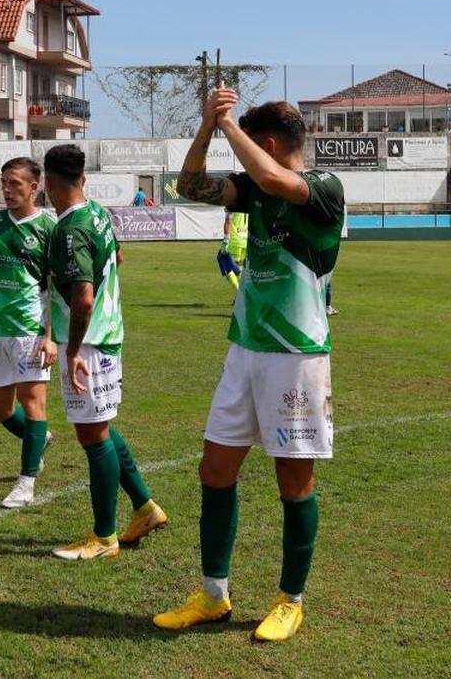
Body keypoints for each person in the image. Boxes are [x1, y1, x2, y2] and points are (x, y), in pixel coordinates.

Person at [154, 90, 344, 641]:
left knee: (294, 481)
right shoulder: (253, 195)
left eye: (245, 146)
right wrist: (208, 127)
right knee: (215, 472)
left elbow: (280, 182)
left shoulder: (324, 189)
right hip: (244, 350)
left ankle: (291, 600)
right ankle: (214, 596)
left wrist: (229, 126)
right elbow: (188, 187)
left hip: (296, 356)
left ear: (263, 144)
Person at [42, 144, 167, 561]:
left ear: (47, 183)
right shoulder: (99, 212)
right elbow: (118, 258)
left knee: (92, 436)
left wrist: (73, 349)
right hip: (108, 335)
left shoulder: (70, 228)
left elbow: (83, 298)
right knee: (102, 428)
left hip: (89, 344)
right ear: (84, 179)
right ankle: (146, 507)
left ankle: (103, 537)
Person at [0, 157, 57, 508]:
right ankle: (38, 439)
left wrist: (51, 335)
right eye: (5, 182)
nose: (7, 189)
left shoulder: (48, 228)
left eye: (16, 183)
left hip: (31, 330)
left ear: (34, 188)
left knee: (34, 402)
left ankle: (26, 483)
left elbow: (56, 286)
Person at [217, 208, 248, 292]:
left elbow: (228, 221)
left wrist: (225, 240)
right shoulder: (248, 203)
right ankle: (242, 295)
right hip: (246, 240)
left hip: (234, 241)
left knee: (226, 266)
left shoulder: (232, 202)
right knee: (240, 269)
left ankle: (239, 293)